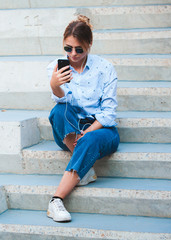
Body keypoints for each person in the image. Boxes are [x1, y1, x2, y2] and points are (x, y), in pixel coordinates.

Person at [46, 15, 120, 222]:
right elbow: (63, 103)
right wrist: (54, 85)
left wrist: (88, 131)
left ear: (89, 45)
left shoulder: (104, 68)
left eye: (79, 49)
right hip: (70, 131)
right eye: (68, 48)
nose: (73, 54)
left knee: (88, 139)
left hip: (100, 130)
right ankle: (83, 168)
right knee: (57, 112)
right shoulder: (56, 67)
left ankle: (56, 201)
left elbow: (108, 113)